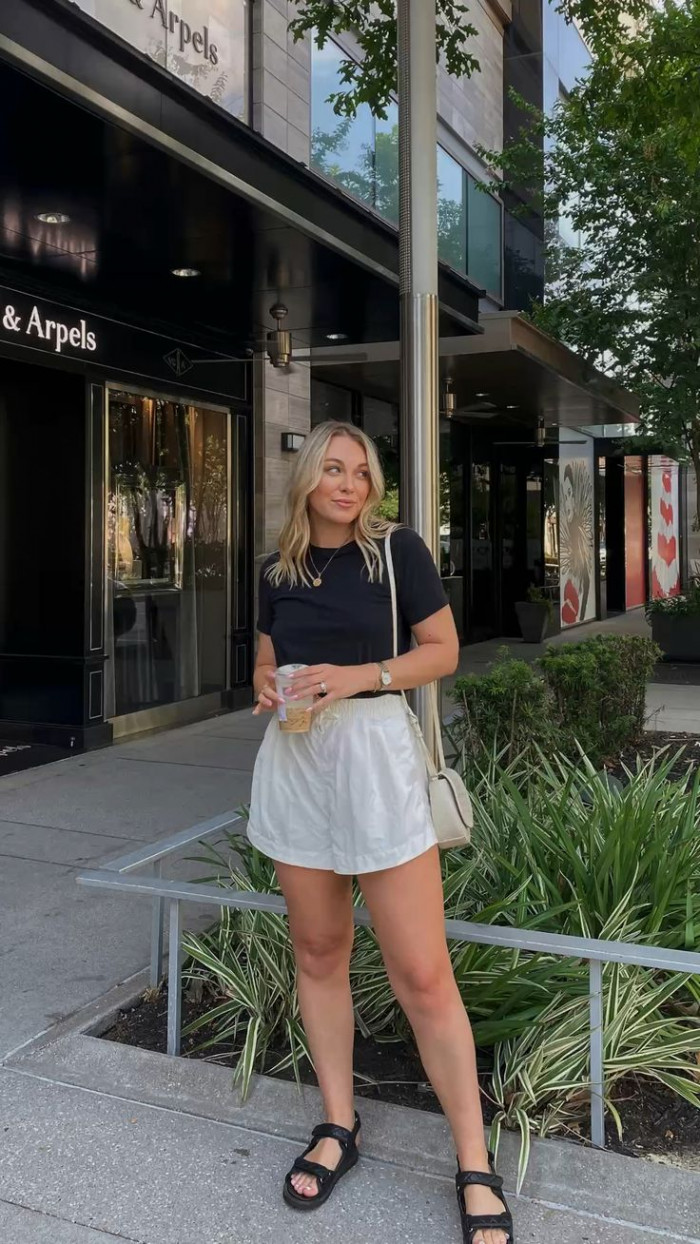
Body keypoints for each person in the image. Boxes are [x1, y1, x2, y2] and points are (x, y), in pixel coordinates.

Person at [248, 421, 513, 1244]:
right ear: (305, 480)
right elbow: (266, 655)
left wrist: (363, 675)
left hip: (375, 756)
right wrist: (266, 681)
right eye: (333, 468)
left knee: (423, 974)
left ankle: (473, 1161)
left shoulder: (395, 554)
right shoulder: (276, 568)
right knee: (320, 955)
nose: (349, 483)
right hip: (297, 763)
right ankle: (338, 1125)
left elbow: (444, 652)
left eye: (361, 471)